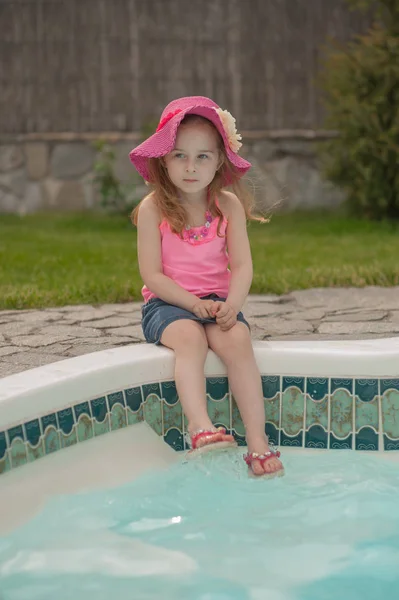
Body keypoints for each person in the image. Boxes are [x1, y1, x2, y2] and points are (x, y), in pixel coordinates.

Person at [129, 96, 284, 479]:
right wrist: (190, 304)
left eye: (203, 157)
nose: (191, 167)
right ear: (163, 159)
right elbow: (153, 275)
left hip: (217, 302)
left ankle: (258, 442)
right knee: (190, 339)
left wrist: (232, 304)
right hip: (168, 303)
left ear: (219, 162)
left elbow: (243, 265)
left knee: (238, 342)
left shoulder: (227, 206)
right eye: (180, 155)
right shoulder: (154, 208)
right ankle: (200, 427)